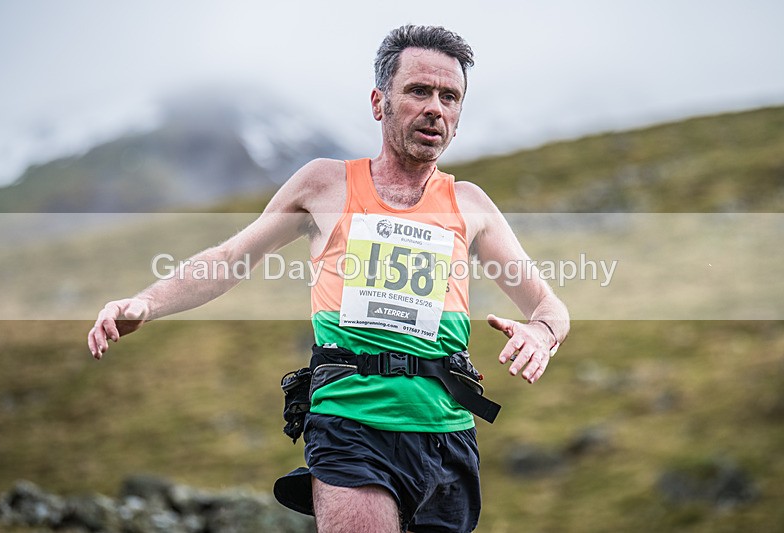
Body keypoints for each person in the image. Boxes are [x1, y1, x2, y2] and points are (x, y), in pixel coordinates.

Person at [88, 25, 569, 533]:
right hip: (351, 426)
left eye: (449, 97)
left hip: (447, 435)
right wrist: (144, 303)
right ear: (379, 102)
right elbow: (230, 258)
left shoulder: (470, 204)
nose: (435, 108)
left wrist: (541, 331)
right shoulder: (326, 184)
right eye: (418, 91)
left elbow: (550, 307)